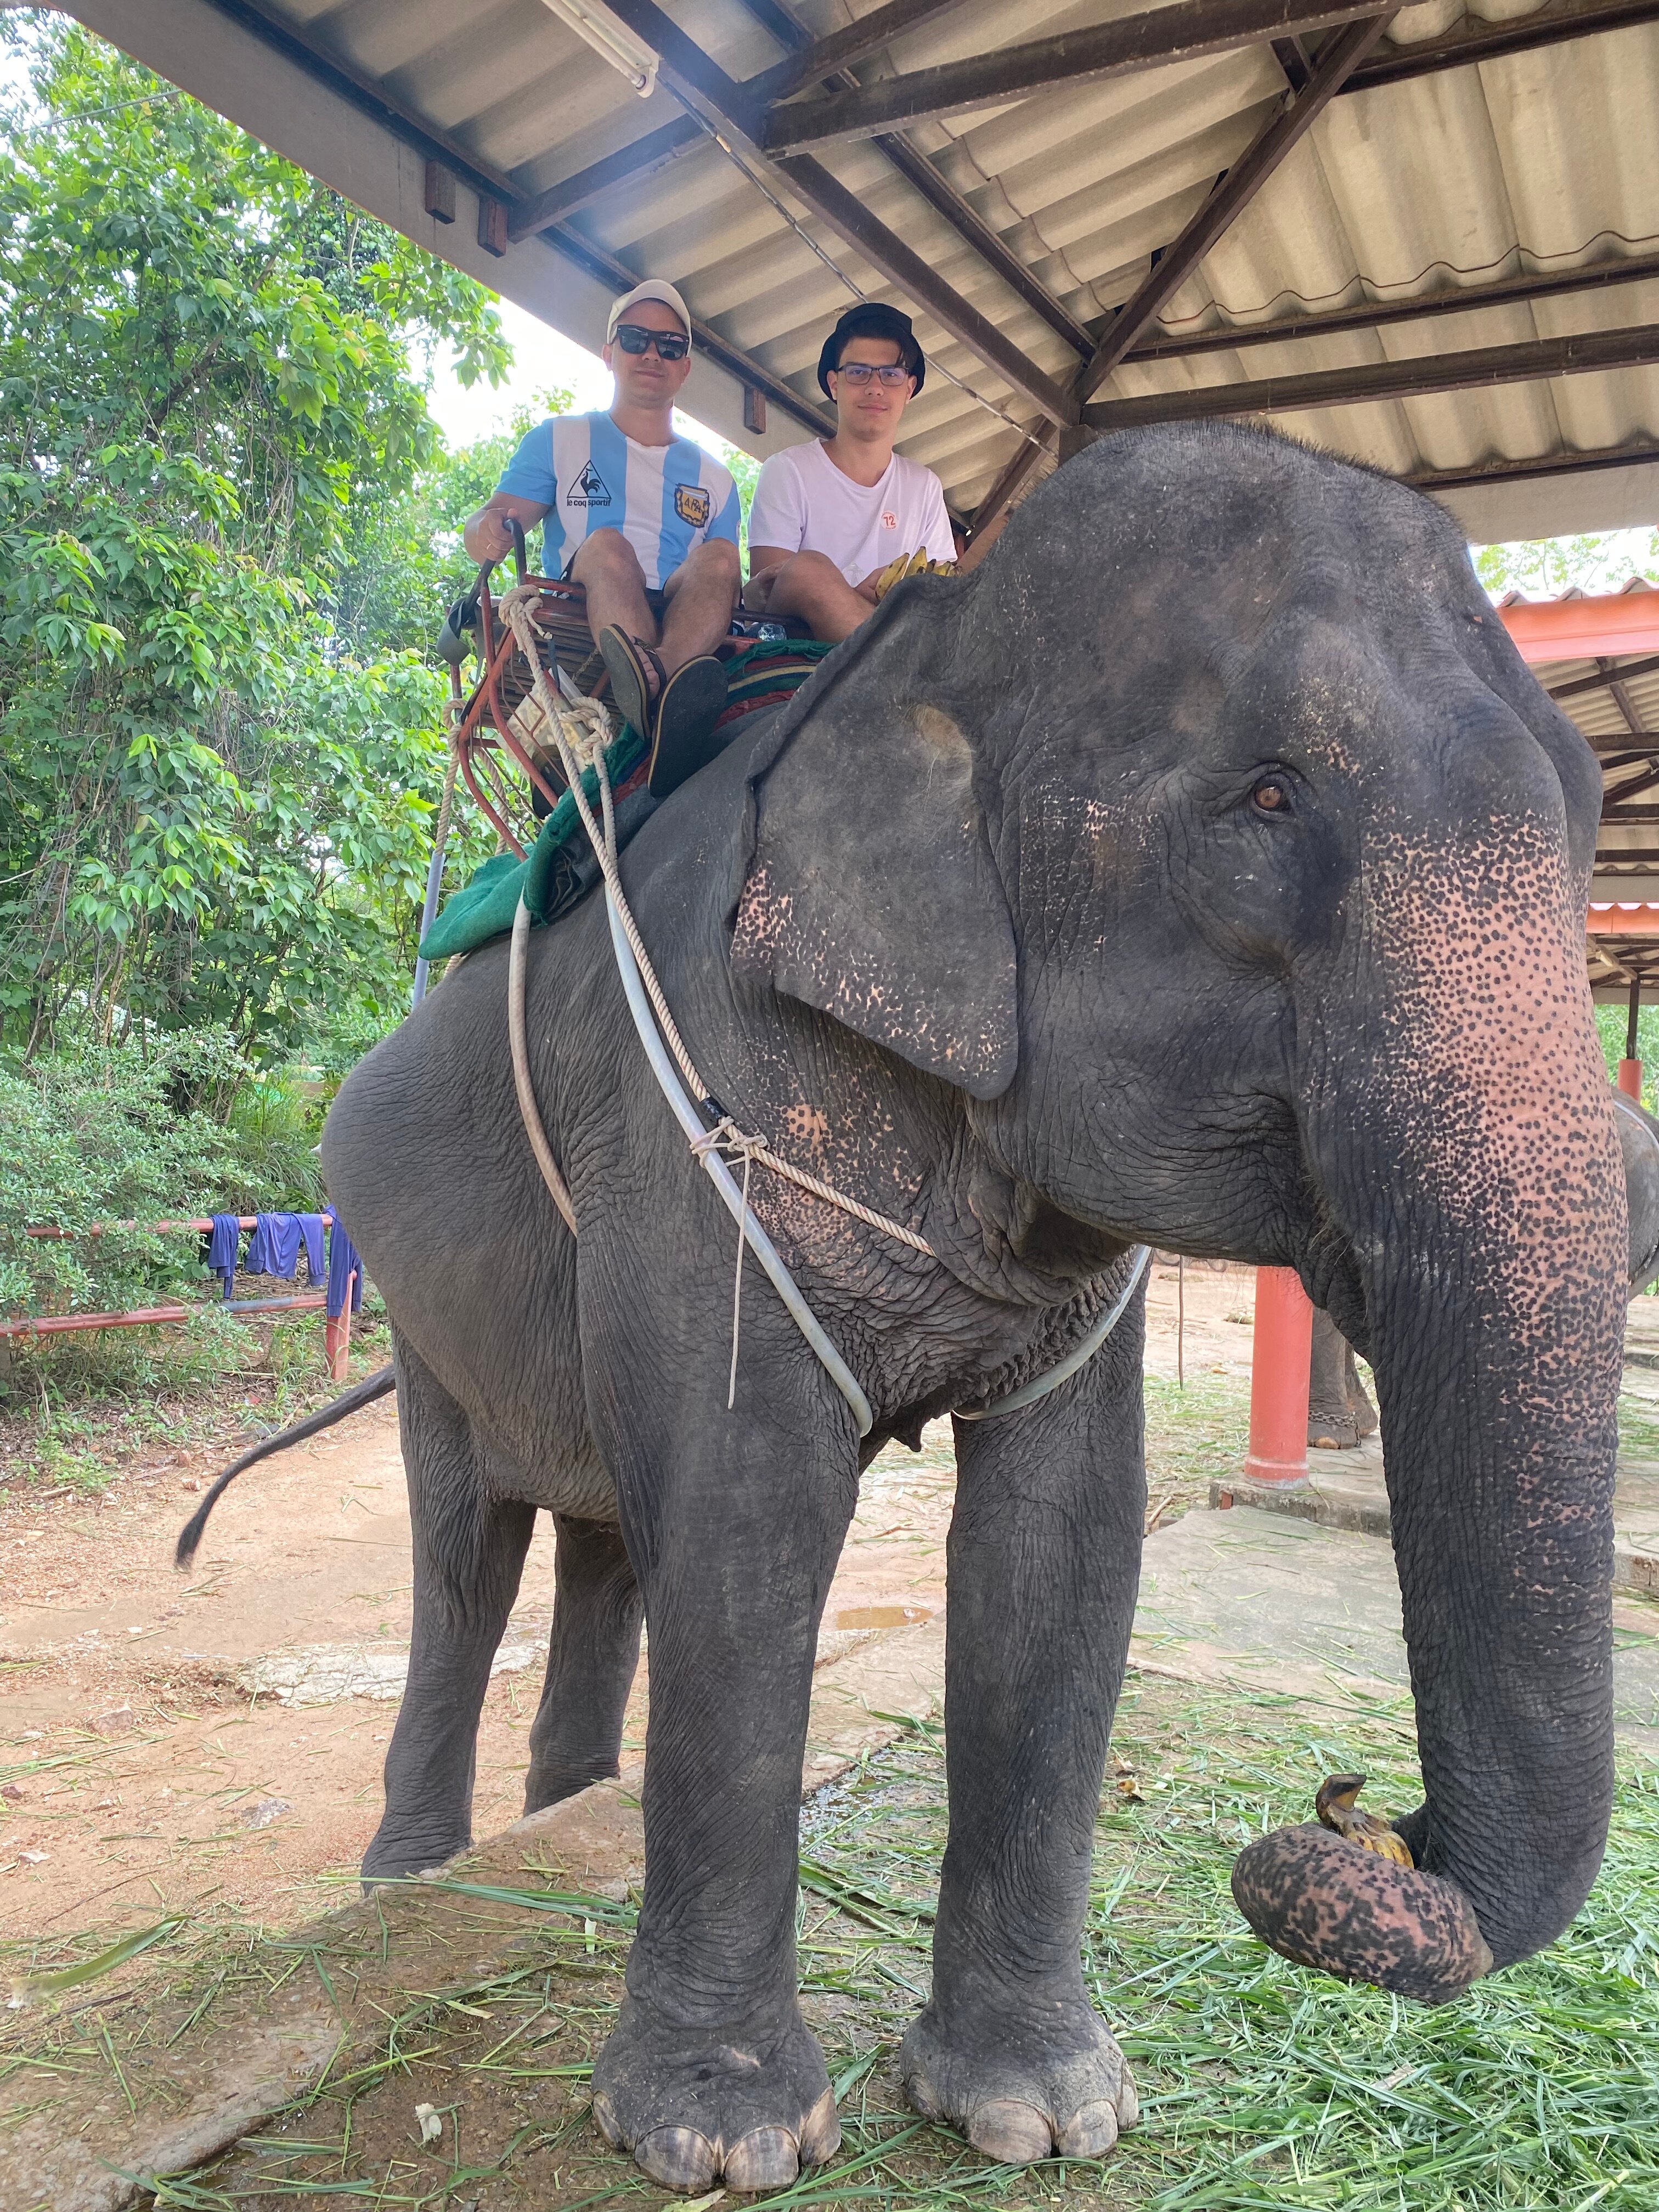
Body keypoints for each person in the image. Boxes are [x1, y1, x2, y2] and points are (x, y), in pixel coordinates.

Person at [463, 279, 741, 797]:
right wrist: (485, 530)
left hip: (678, 620)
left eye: (670, 346)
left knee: (724, 558)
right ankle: (662, 711)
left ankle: (652, 684)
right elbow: (491, 520)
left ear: (685, 367)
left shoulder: (716, 478)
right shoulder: (561, 438)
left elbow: (724, 584)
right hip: (580, 614)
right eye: (636, 340)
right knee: (609, 546)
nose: (652, 354)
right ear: (609, 353)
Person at [743, 303, 955, 644]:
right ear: (834, 384)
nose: (875, 387)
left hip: (900, 642)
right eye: (858, 372)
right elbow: (767, 601)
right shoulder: (788, 470)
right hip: (803, 646)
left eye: (891, 374)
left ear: (910, 389)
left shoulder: (924, 487)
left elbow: (943, 599)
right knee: (808, 570)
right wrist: (851, 596)